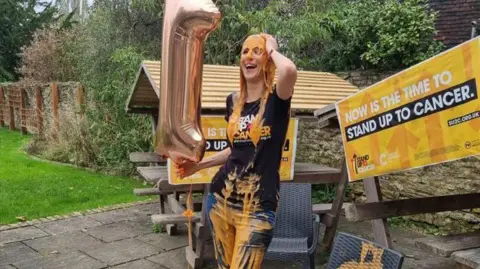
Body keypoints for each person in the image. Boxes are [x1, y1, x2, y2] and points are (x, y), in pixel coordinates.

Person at [176, 33, 297, 269]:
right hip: (221, 200)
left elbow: (290, 70)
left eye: (256, 51)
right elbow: (235, 151)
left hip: (258, 208)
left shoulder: (277, 99)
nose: (248, 57)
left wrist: (271, 48)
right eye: (244, 52)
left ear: (268, 60)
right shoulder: (233, 102)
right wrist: (197, 166)